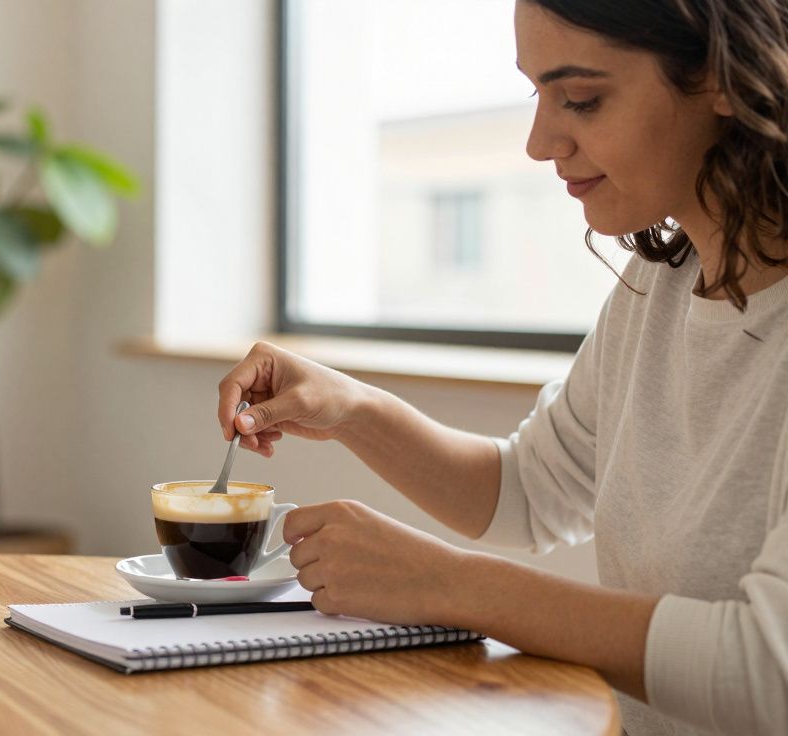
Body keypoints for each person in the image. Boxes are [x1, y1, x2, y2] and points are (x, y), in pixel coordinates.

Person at [216, 2, 788, 734]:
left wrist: (448, 585)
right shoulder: (659, 289)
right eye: (538, 95)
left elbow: (767, 669)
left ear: (723, 77)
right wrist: (352, 407)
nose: (539, 142)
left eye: (580, 98)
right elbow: (529, 490)